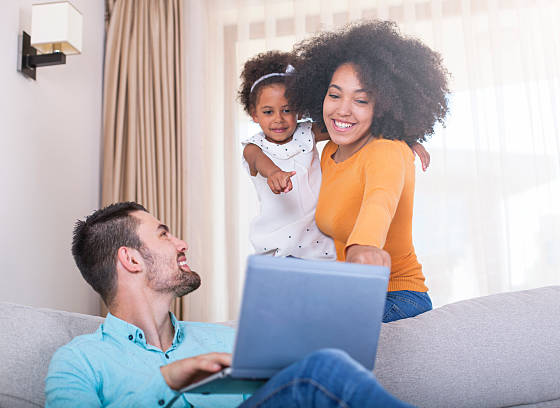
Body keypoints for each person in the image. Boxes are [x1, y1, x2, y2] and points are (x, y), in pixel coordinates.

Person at [45, 201, 415, 407]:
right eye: (163, 234)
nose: (181, 243)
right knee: (325, 368)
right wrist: (167, 381)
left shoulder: (226, 344)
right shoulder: (79, 362)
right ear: (131, 260)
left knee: (323, 365)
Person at [285, 20, 450, 323]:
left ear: (385, 106)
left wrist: (363, 248)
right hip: (354, 292)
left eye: (361, 100)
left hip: (399, 297)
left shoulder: (388, 151)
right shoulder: (329, 153)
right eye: (334, 95)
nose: (343, 109)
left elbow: (379, 201)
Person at [240, 50, 430, 260]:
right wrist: (274, 173)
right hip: (278, 240)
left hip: (314, 239)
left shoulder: (306, 134)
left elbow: (354, 127)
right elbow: (258, 159)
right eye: (268, 112)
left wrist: (403, 135)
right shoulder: (254, 146)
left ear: (299, 111)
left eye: (286, 110)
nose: (278, 119)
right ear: (254, 114)